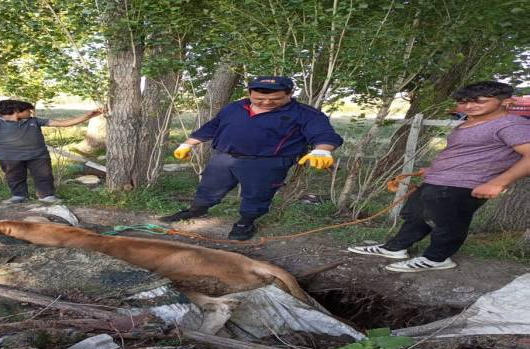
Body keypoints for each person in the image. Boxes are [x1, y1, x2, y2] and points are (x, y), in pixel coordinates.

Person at [348, 81, 530, 272]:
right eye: (464, 101)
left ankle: (437, 258)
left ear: (505, 101)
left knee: (447, 221)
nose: (469, 106)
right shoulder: (470, 122)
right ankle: (395, 248)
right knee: (416, 215)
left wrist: (498, 183)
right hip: (439, 179)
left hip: (464, 184)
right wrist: (434, 169)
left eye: (480, 101)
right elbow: (468, 152)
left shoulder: (510, 125)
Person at [160, 76, 343, 241]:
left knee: (257, 196)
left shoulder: (305, 113)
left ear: (289, 94)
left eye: (274, 99)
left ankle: (245, 222)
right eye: (259, 99)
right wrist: (188, 143)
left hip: (267, 163)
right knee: (208, 187)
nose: (266, 102)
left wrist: (322, 150)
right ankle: (196, 210)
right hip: (224, 158)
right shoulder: (235, 107)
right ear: (249, 93)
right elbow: (213, 126)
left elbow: (324, 135)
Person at [0, 99, 102, 204]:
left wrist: (88, 115)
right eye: (28, 110)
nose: (31, 113)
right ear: (16, 111)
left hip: (38, 155)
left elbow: (64, 123)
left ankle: (47, 197)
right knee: (14, 176)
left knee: (44, 176)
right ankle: (19, 196)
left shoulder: (34, 121)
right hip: (9, 157)